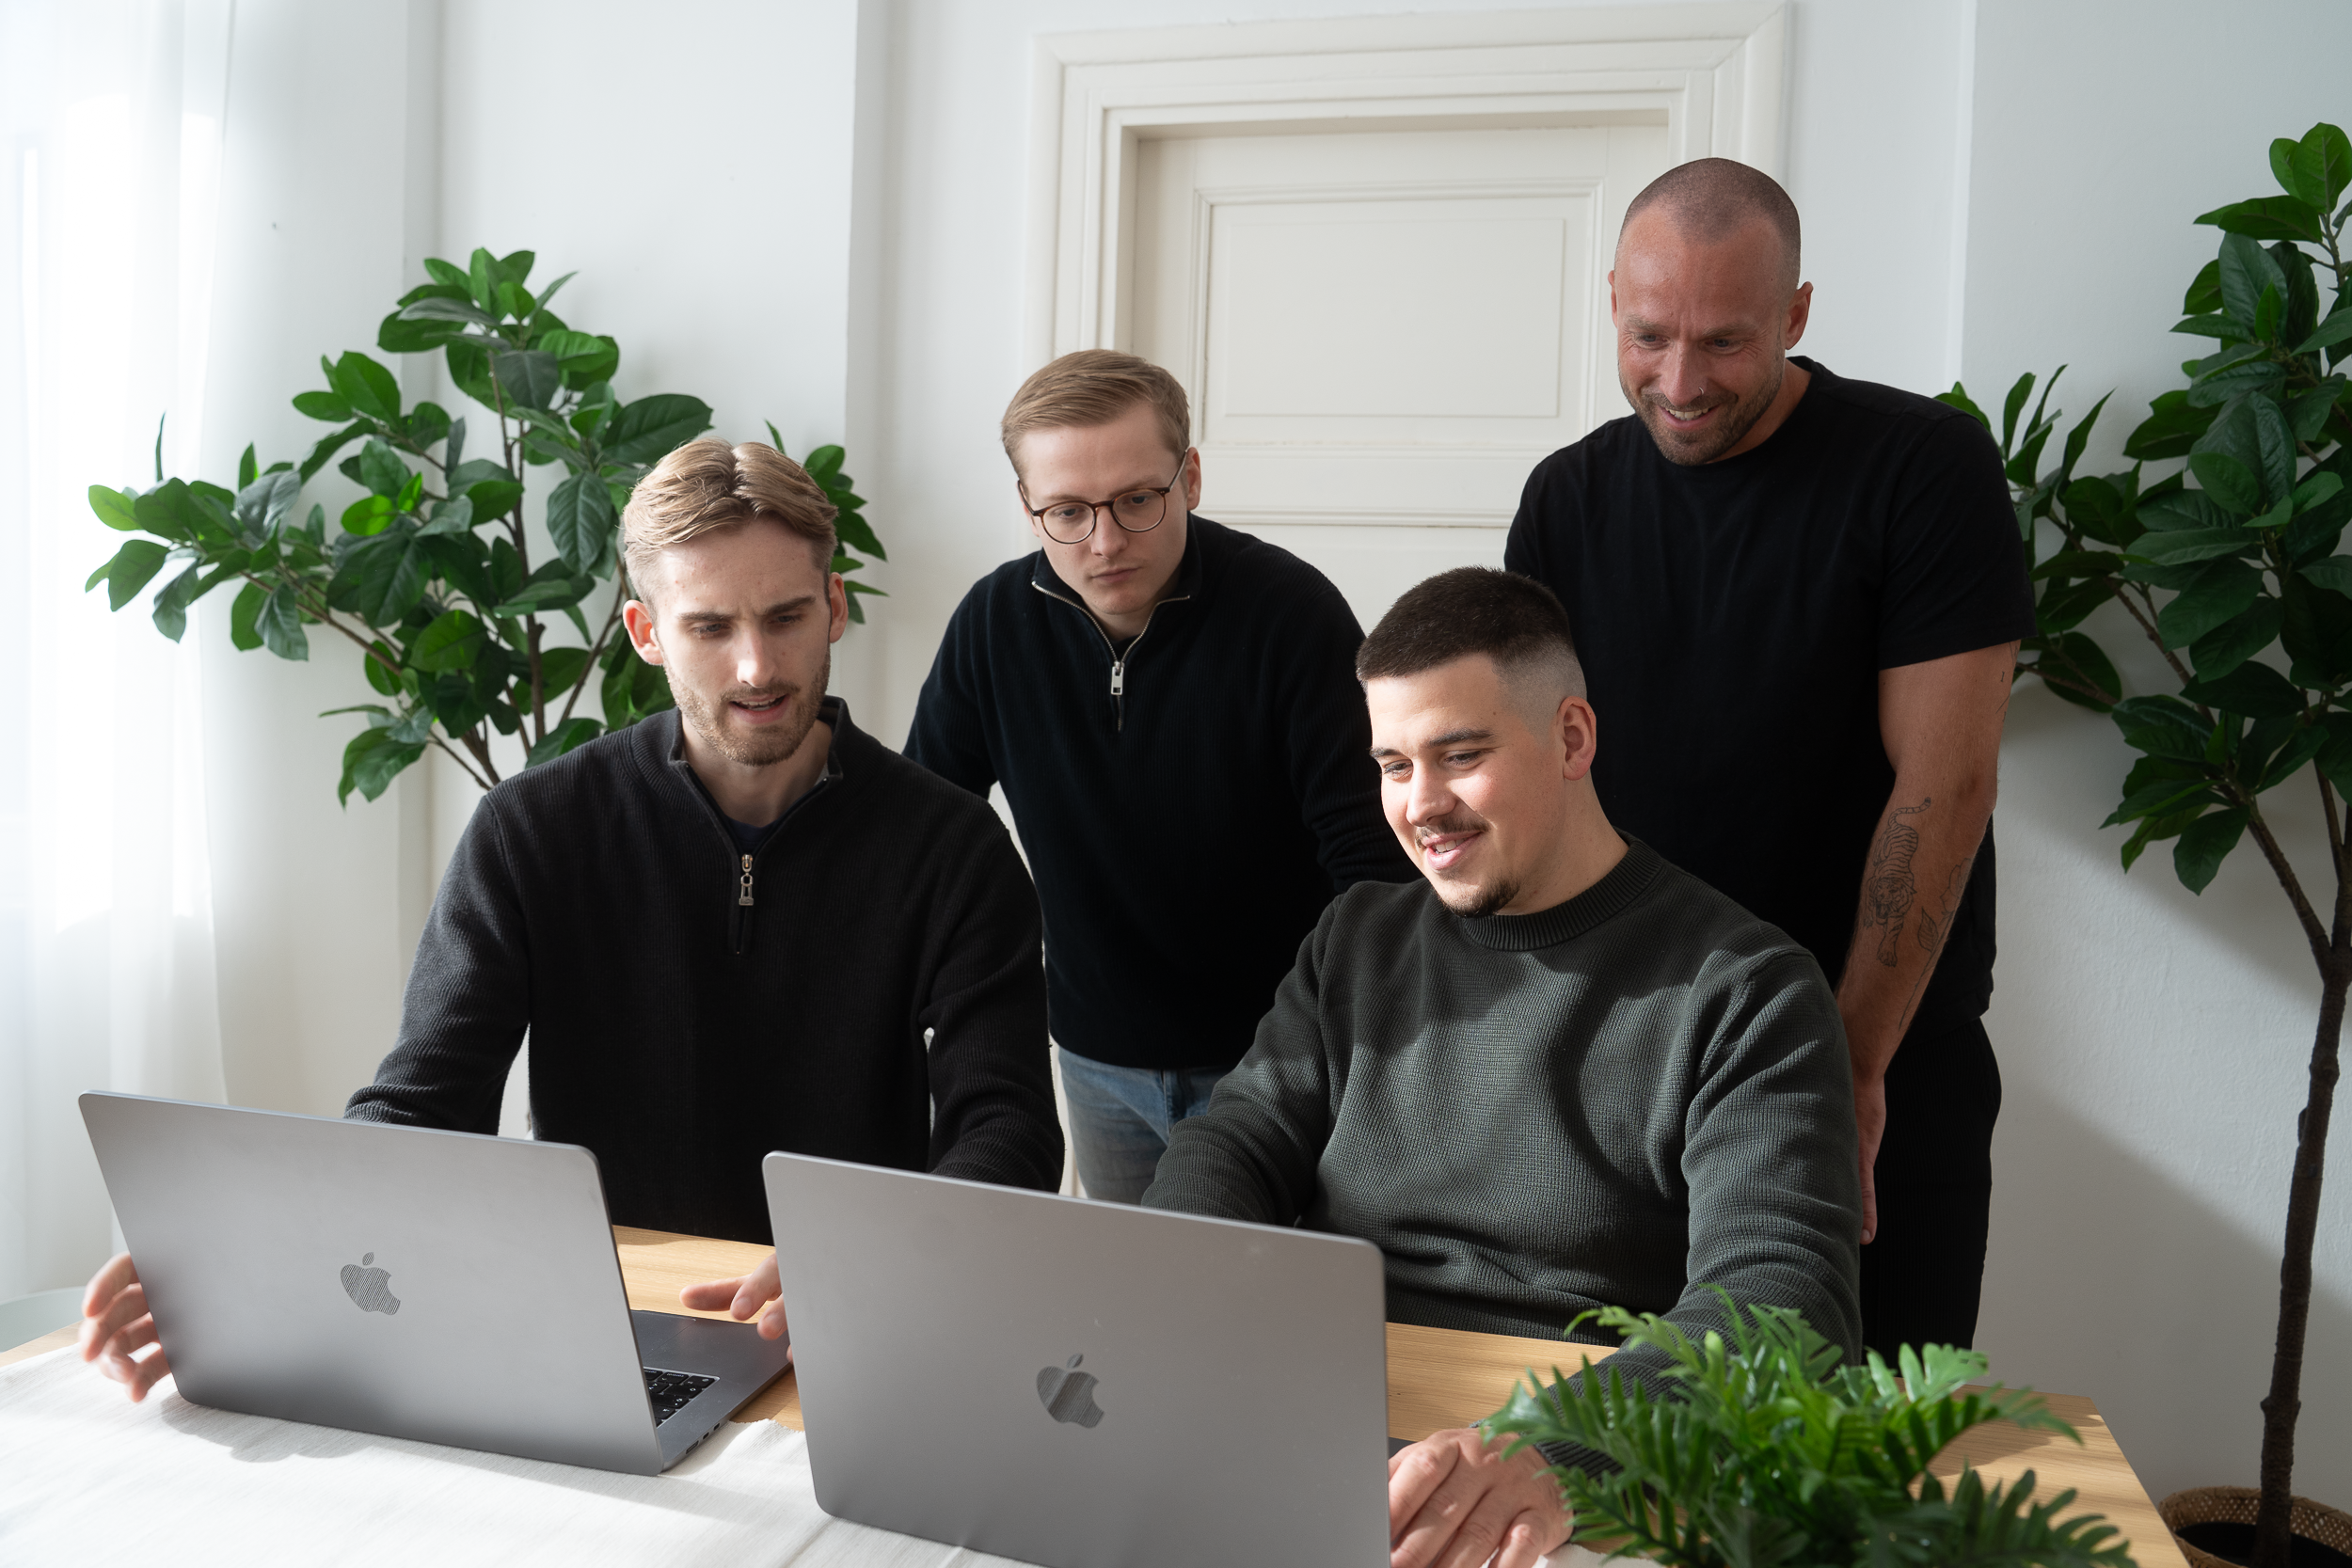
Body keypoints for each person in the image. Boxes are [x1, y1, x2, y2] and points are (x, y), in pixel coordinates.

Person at [76, 439, 1062, 1400]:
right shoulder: (532, 829)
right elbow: (423, 1104)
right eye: (709, 627)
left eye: (787, 616)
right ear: (645, 631)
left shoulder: (953, 846)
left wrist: (866, 1258)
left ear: (835, 606)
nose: (758, 666)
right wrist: (246, 1243)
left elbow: (1007, 1128)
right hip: (595, 1328)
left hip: (860, 1323)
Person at [1144, 567, 1865, 1568]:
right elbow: (1237, 1135)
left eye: (1459, 754)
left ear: (1571, 737)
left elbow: (1782, 1295)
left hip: (1581, 1475)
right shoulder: (1357, 935)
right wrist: (1163, 1285)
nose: (1420, 804)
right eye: (1393, 763)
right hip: (1335, 1426)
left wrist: (1555, 1447)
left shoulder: (1748, 987)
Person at [1503, 158, 2031, 1357]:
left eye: (1724, 343)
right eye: (1648, 337)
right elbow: (1535, 780)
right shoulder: (1566, 497)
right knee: (1631, 1469)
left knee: (1860, 1474)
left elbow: (1942, 787)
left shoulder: (1921, 467)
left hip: (1872, 1053)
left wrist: (1844, 1067)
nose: (1679, 382)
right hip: (1635, 1067)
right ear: (1612, 302)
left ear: (1795, 315)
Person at [903, 349, 1412, 1202]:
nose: (1105, 542)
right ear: (1028, 509)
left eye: (1138, 499)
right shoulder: (993, 624)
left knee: (1274, 1309)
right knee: (1134, 1311)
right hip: (1095, 1057)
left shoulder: (1291, 614)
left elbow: (1373, 865)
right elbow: (924, 832)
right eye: (1067, 511)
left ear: (1192, 478)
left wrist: (1322, 1049)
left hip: (1277, 1064)